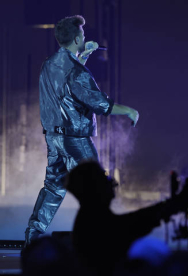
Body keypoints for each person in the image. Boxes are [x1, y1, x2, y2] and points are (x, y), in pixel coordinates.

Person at [24, 15, 139, 246]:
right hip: (75, 140)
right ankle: (98, 238)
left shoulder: (49, 64)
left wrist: (84, 54)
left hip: (54, 138)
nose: (85, 37)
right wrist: (128, 111)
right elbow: (99, 103)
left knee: (53, 188)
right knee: (97, 186)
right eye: (83, 36)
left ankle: (32, 237)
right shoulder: (77, 72)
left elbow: (69, 82)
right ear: (77, 39)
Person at [65, 160, 188, 274]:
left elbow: (132, 222)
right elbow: (132, 224)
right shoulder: (93, 223)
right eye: (103, 177)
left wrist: (169, 205)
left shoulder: (89, 219)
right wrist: (172, 204)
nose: (111, 182)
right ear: (93, 187)